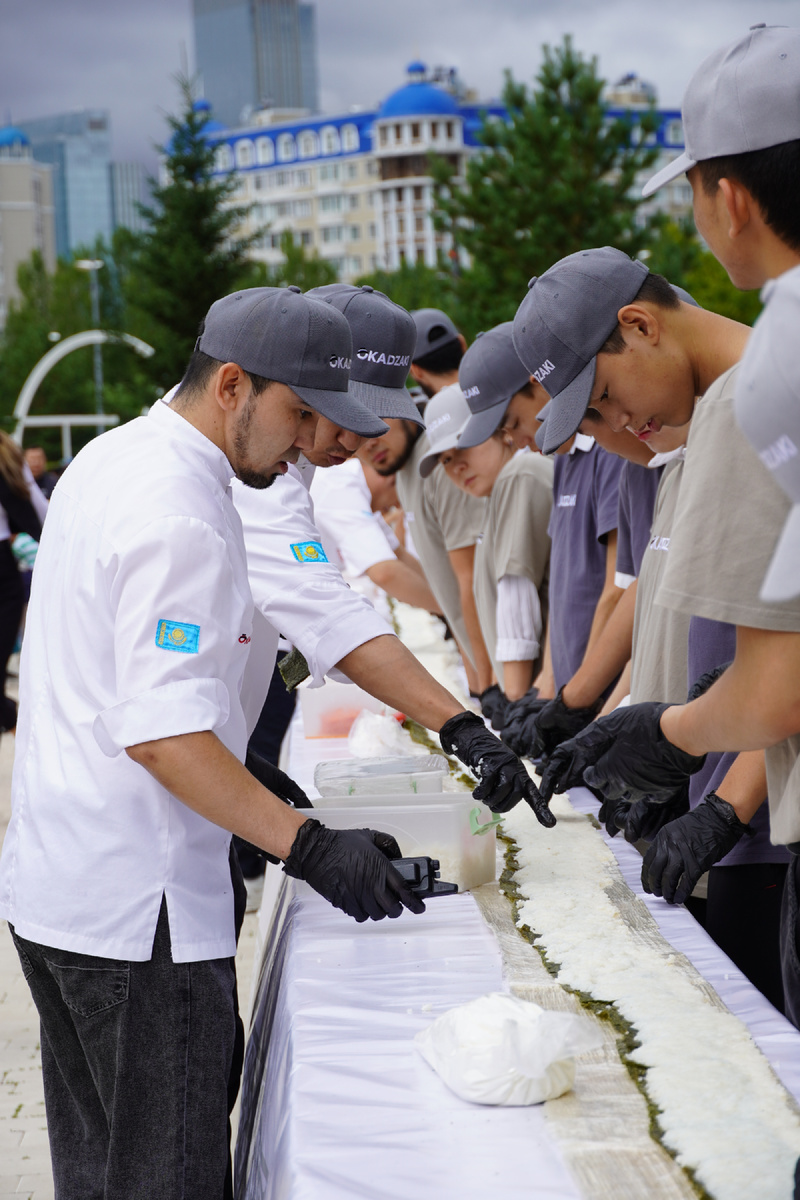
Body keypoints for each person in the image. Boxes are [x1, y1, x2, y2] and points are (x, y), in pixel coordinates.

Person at [0, 285, 446, 1199]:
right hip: (139, 915)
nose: (307, 449)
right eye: (301, 416)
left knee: (104, 1175)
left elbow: (121, 688)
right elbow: (163, 738)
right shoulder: (182, 510)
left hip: (62, 887)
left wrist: (250, 767)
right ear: (234, 385)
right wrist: (310, 845)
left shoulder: (113, 457)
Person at [534, 29, 800, 1031]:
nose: (614, 436)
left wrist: (667, 738)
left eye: (602, 402)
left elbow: (776, 685)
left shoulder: (764, 385)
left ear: (725, 199)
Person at [359, 308, 492, 696]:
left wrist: (486, 681)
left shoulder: (441, 460)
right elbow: (441, 572)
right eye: (353, 429)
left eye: (376, 422)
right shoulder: (403, 465)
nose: (368, 443)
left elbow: (472, 578)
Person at [421, 381, 552, 718]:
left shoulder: (521, 476)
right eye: (446, 460)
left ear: (500, 431)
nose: (455, 467)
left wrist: (515, 701)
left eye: (463, 447)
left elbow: (517, 598)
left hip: (540, 700)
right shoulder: (496, 497)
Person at [0, 433, 43, 731]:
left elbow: (38, 509)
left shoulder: (6, 453)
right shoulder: (7, 452)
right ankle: (12, 717)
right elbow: (40, 511)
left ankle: (13, 719)